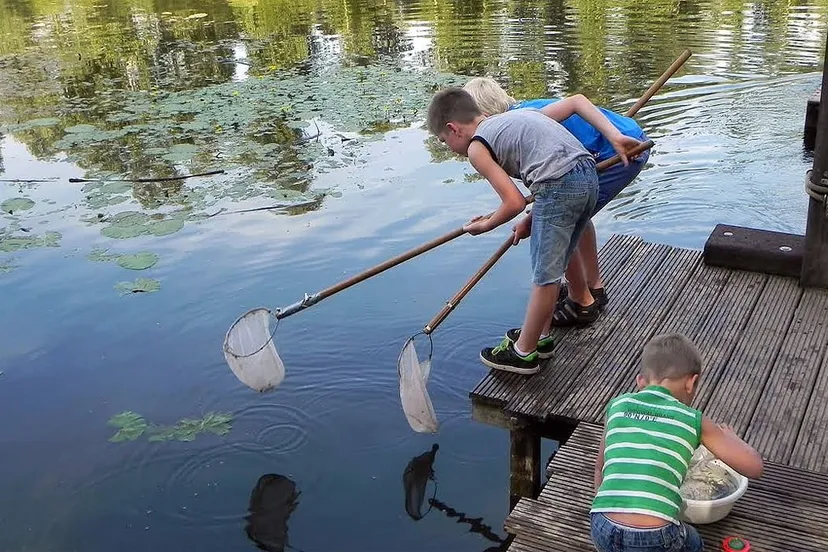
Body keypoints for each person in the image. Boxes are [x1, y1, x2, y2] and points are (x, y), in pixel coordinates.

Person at [426, 87, 641, 374]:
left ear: (453, 129)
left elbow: (514, 202)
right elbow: (550, 166)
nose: (448, 146)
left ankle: (524, 352)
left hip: (558, 186)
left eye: (443, 140)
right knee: (556, 263)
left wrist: (486, 224)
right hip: (588, 176)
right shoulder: (520, 115)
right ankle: (540, 337)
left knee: (545, 275)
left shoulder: (477, 148)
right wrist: (534, 217)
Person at [463, 77, 650, 327]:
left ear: (484, 115)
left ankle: (580, 301)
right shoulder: (521, 115)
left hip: (621, 152)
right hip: (627, 138)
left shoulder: (514, 125)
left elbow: (558, 199)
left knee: (563, 223)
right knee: (576, 216)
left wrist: (614, 138)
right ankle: (594, 287)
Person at [590, 333, 764, 552]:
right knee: (694, 542)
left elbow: (599, 468)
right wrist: (730, 437)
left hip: (602, 527)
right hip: (655, 536)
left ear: (640, 381)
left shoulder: (617, 406)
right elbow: (755, 467)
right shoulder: (692, 419)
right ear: (692, 382)